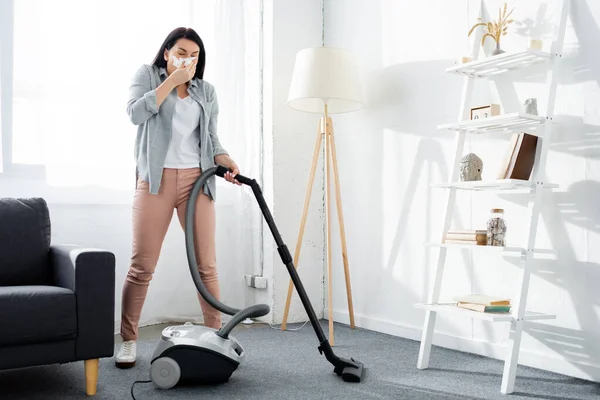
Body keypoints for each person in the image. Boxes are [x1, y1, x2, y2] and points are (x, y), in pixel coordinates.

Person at [115, 27, 240, 368]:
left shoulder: (206, 91)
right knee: (142, 266)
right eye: (182, 52)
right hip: (155, 181)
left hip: (196, 182)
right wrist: (171, 81)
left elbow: (210, 138)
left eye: (195, 55)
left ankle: (216, 337)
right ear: (167, 52)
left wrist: (225, 158)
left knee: (206, 265)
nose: (189, 60)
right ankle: (128, 340)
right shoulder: (147, 75)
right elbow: (135, 114)